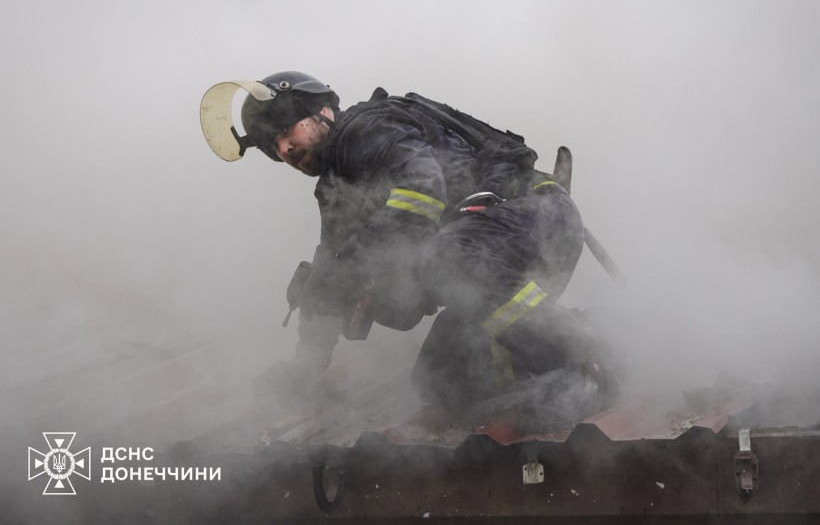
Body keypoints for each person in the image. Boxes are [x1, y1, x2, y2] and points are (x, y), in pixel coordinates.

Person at [200, 71, 615, 404]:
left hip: (537, 218)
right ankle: (552, 354)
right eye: (274, 147)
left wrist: (348, 272)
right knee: (439, 382)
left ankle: (584, 356)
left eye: (287, 130)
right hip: (501, 268)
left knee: (446, 258)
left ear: (323, 112)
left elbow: (421, 194)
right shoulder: (336, 190)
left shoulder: (364, 130)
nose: (285, 149)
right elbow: (335, 280)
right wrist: (306, 362)